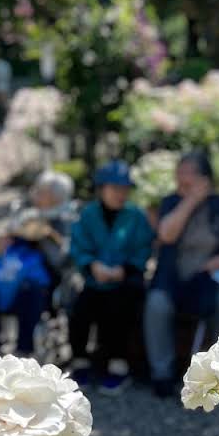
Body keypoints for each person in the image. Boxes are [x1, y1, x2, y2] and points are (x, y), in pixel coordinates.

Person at [144, 152, 219, 396]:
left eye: (189, 171)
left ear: (205, 178)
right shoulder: (170, 202)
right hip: (172, 275)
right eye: (180, 171)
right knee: (156, 304)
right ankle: (162, 372)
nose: (182, 177)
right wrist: (189, 201)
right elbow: (167, 235)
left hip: (210, 273)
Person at [68, 160, 154, 393]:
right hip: (95, 278)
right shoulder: (88, 214)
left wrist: (123, 270)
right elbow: (78, 246)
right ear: (101, 189)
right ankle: (81, 361)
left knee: (117, 310)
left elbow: (143, 248)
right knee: (79, 310)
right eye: (115, 189)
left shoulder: (135, 215)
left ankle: (118, 364)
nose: (121, 194)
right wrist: (92, 265)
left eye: (125, 189)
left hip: (125, 279)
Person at [0, 171, 76, 354]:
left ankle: (25, 348)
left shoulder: (66, 220)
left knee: (29, 293)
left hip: (44, 279)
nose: (36, 195)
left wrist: (45, 239)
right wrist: (0, 245)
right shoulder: (25, 216)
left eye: (42, 193)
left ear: (55, 198)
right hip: (11, 276)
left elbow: (62, 259)